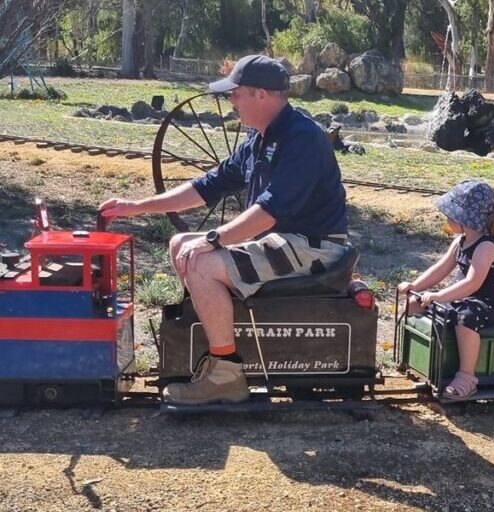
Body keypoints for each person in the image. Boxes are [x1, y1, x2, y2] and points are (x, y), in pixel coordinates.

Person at [98, 55, 350, 406]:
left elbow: (267, 214)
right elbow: (204, 187)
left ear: (260, 95)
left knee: (200, 260)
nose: (231, 101)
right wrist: (135, 206)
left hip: (314, 247)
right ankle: (219, 345)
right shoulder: (260, 139)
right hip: (286, 242)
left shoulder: (302, 139)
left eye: (236, 94)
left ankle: (226, 376)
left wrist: (212, 239)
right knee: (179, 243)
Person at [398, 180, 494, 399]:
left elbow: (473, 283)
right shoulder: (460, 241)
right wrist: (416, 286)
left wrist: (439, 295)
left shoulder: (486, 246)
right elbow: (441, 268)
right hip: (460, 298)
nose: (447, 219)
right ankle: (415, 358)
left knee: (465, 318)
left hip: (484, 303)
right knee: (413, 304)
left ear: (466, 218)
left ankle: (467, 376)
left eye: (451, 216)